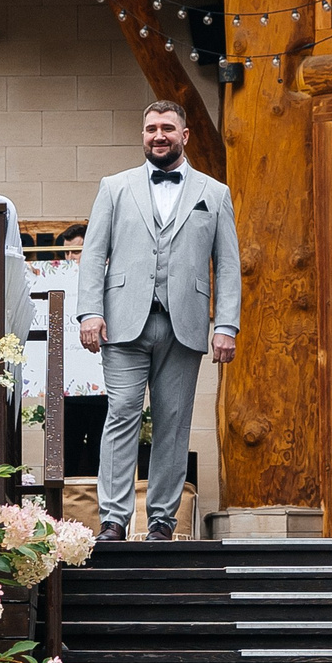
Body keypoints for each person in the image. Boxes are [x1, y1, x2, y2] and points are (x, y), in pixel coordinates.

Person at [78, 100, 239, 542]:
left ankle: (162, 523)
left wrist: (226, 324)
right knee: (122, 412)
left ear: (185, 135)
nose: (158, 135)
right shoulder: (114, 187)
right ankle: (113, 519)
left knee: (173, 420)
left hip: (183, 324)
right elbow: (93, 254)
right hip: (122, 321)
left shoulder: (215, 193)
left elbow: (227, 265)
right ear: (143, 134)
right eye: (151, 128)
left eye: (168, 128)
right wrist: (90, 312)